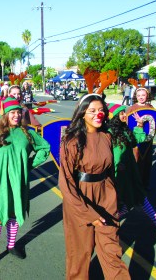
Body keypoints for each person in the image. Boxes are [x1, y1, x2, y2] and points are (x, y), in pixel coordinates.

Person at [0, 97, 50, 267]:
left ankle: (11, 246)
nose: (16, 115)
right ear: (5, 114)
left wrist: (28, 165)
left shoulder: (27, 133)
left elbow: (45, 148)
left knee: (13, 215)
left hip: (18, 183)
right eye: (12, 112)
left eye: (18, 112)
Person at [58, 93, 130, 279]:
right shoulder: (72, 141)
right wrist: (87, 213)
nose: (98, 114)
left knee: (112, 250)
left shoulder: (106, 137)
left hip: (106, 195)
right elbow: (65, 182)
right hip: (81, 198)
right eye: (92, 111)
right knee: (80, 254)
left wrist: (114, 198)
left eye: (101, 110)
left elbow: (110, 171)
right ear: (82, 114)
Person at [107, 103, 156, 231]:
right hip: (120, 173)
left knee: (138, 197)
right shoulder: (109, 133)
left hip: (131, 170)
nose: (125, 115)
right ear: (115, 116)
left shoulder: (125, 129)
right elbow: (112, 154)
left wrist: (139, 125)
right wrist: (117, 168)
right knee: (129, 199)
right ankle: (107, 224)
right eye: (122, 113)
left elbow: (139, 139)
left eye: (125, 112)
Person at [127, 87, 154, 189]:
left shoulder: (150, 107)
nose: (141, 97)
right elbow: (127, 124)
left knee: (146, 163)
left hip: (147, 141)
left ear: (147, 96)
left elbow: (154, 122)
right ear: (135, 96)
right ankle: (135, 185)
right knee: (136, 162)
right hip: (136, 141)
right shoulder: (131, 108)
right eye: (139, 95)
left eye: (143, 95)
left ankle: (144, 184)